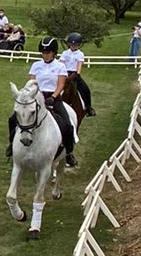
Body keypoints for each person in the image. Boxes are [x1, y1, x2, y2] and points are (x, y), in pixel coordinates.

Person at [7, 36, 76, 167]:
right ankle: (11, 145)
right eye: (43, 53)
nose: (45, 55)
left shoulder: (60, 66)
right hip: (36, 97)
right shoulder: (36, 65)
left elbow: (61, 84)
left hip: (53, 98)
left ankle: (68, 153)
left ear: (54, 53)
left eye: (48, 52)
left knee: (67, 124)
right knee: (12, 119)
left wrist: (54, 97)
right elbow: (31, 83)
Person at [59, 32, 94, 115]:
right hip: (65, 73)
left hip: (74, 74)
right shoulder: (65, 53)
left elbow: (79, 64)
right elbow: (61, 62)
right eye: (71, 44)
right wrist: (63, 73)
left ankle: (88, 108)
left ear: (79, 45)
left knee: (86, 89)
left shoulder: (80, 54)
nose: (73, 46)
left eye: (75, 45)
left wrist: (77, 73)